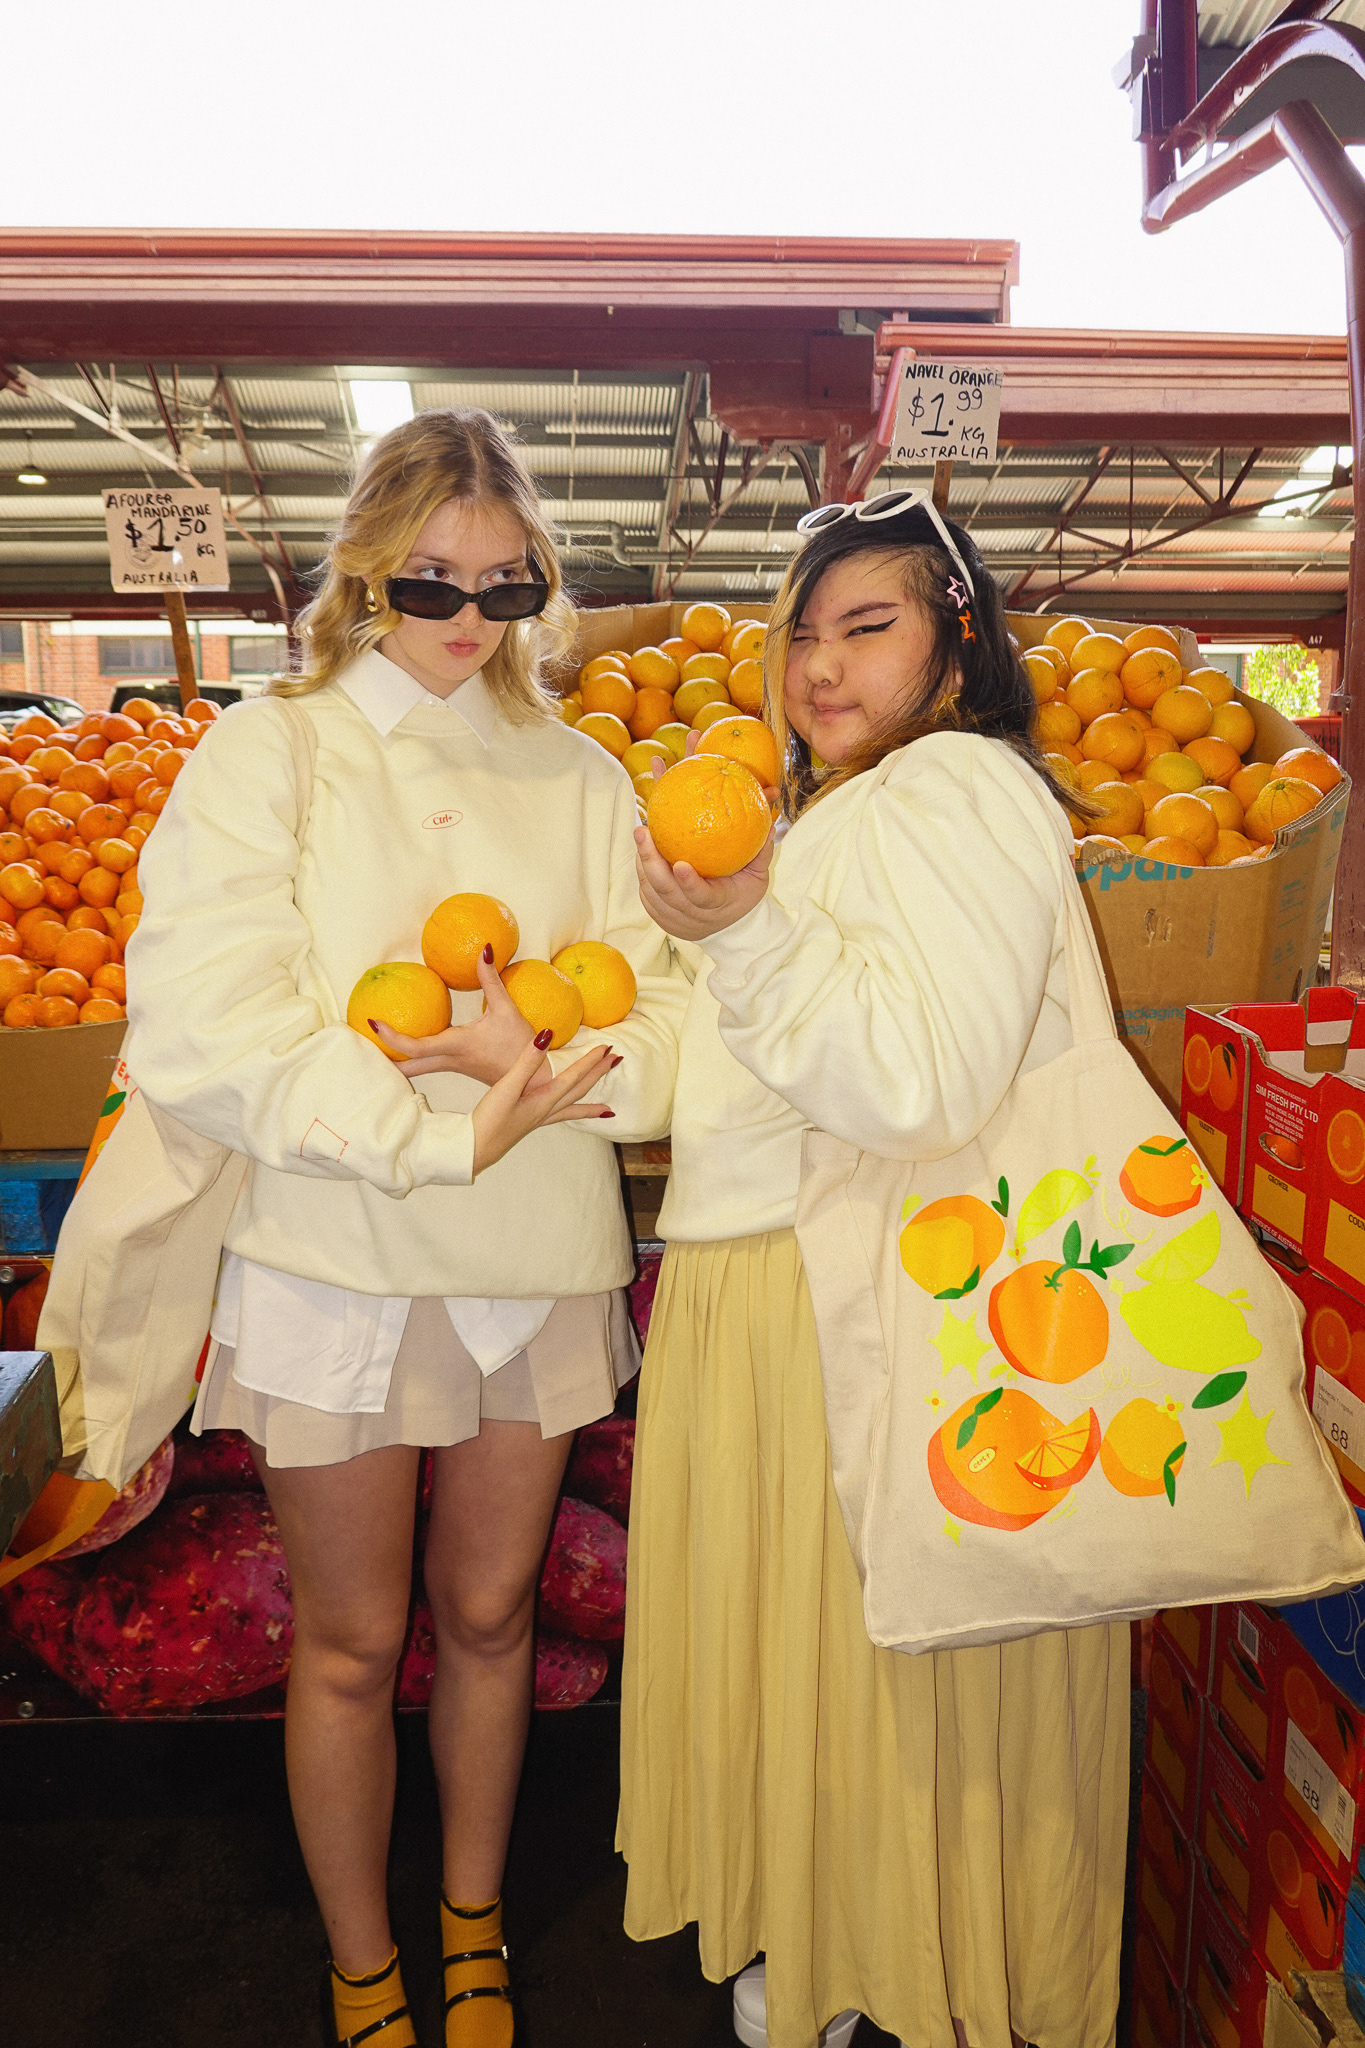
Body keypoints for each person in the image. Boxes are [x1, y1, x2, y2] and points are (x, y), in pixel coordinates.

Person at [123, 408, 686, 2048]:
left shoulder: (585, 775)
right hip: (332, 1253)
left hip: (535, 1250)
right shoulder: (273, 752)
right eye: (432, 581)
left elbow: (669, 1011)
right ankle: (362, 1959)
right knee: (355, 1638)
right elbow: (204, 1018)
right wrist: (428, 1131)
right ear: (365, 573)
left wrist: (552, 1075)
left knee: (493, 1618)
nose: (467, 619)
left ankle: (472, 1926)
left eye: (508, 589)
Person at [618, 492, 1129, 2048]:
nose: (819, 665)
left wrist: (745, 932)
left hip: (840, 1305)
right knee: (842, 1684)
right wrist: (563, 1062)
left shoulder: (952, 790)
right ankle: (854, 1961)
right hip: (791, 1288)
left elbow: (921, 1085)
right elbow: (756, 1070)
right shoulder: (855, 806)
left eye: (868, 626)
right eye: (801, 632)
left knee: (862, 1684)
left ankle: (880, 1977)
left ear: (956, 644)